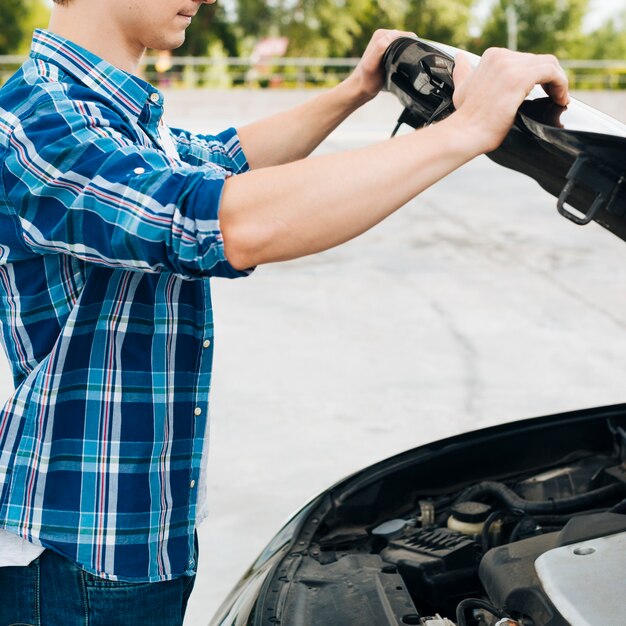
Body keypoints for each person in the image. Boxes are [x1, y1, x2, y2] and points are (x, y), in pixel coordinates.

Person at [0, 0, 569, 623]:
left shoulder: (110, 113)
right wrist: (463, 131)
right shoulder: (34, 119)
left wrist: (355, 90)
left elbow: (226, 157)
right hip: (75, 544)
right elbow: (218, 219)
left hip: (131, 527)